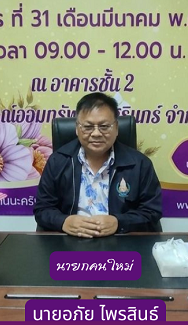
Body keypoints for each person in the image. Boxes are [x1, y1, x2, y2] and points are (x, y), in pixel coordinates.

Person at [34, 93, 162, 237]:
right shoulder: (58, 161)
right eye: (88, 127)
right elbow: (42, 209)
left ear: (116, 128)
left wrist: (119, 222)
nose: (96, 133)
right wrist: (63, 221)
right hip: (70, 241)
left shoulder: (140, 164)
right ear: (77, 128)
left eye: (104, 126)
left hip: (120, 241)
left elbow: (152, 211)